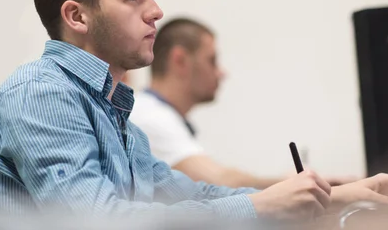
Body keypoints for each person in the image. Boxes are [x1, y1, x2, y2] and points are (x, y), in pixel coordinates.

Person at [0, 0, 388, 224]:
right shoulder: (40, 93)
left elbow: (196, 197)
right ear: (77, 16)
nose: (156, 11)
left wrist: (344, 194)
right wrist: (264, 206)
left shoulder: (116, 118)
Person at [129, 18, 357, 189]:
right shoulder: (151, 117)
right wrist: (292, 185)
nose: (221, 73)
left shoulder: (157, 115)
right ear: (180, 60)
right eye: (212, 60)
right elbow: (220, 182)